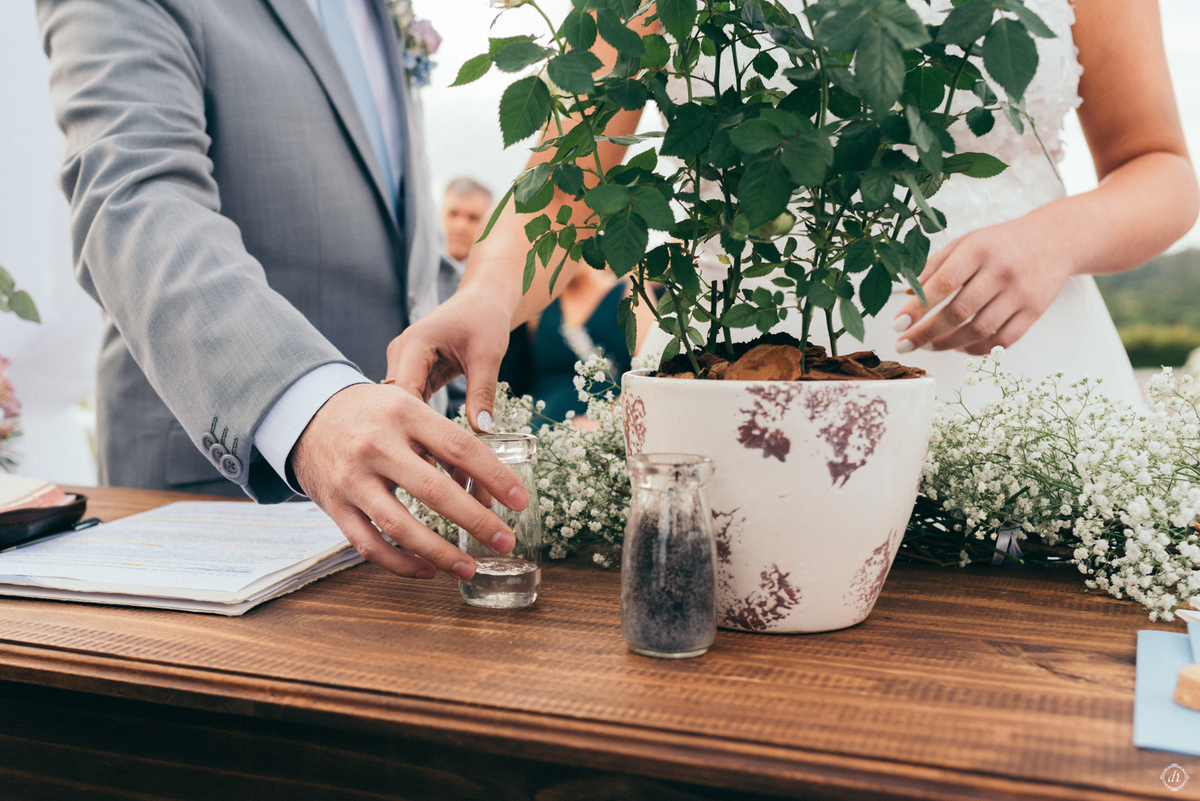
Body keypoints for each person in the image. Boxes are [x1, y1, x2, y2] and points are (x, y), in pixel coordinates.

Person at [632, 0, 1198, 409]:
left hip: (1019, 380)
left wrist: (1055, 239)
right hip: (731, 375)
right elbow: (559, 199)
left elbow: (1160, 166)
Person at [436, 177, 492, 418]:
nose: (460, 225)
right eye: (453, 214)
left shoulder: (497, 285)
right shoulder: (415, 276)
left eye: (472, 218)